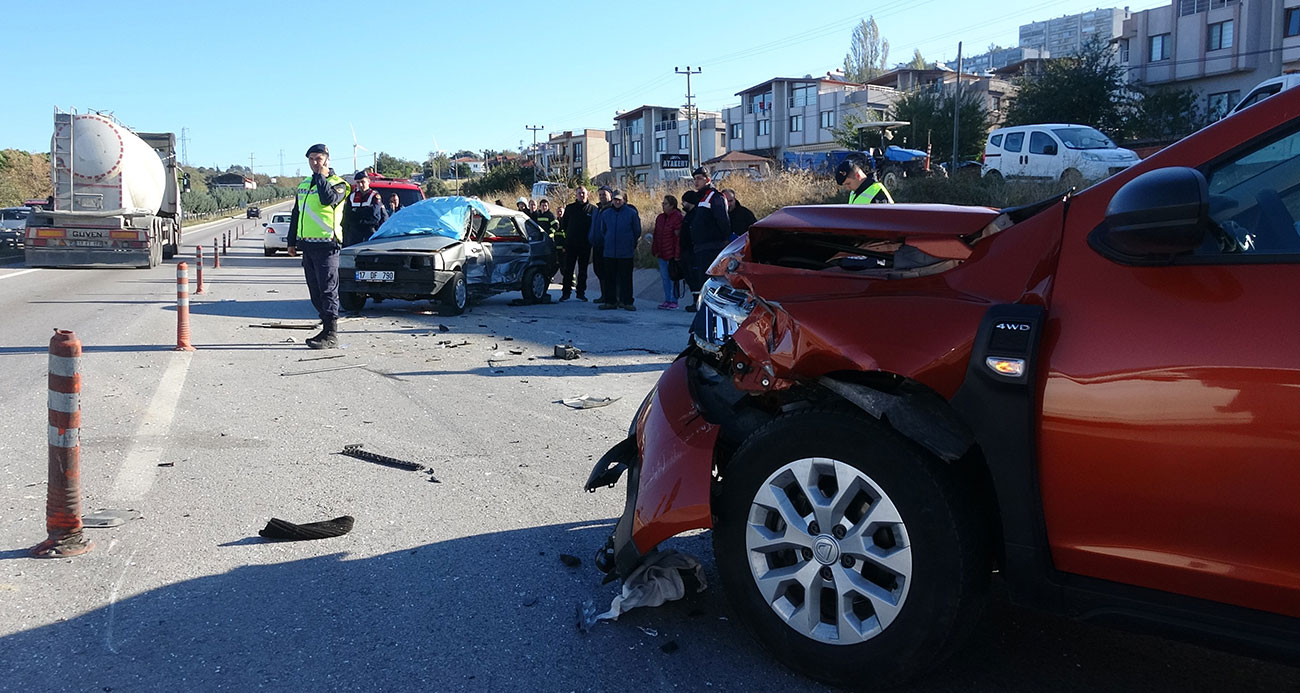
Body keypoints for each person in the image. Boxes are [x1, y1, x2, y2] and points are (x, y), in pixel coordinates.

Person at [286, 144, 350, 349]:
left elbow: (327, 200)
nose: (315, 162)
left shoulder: (339, 184)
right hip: (308, 245)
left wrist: (321, 177)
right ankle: (325, 327)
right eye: (312, 159)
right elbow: (297, 213)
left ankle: (331, 333)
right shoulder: (305, 184)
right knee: (315, 291)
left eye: (319, 159)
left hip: (327, 245)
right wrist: (291, 241)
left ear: (327, 160)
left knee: (328, 290)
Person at [685, 166, 729, 310]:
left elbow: (723, 221)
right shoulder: (701, 197)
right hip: (700, 248)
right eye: (694, 179)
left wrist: (723, 240)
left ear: (708, 180)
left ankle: (710, 312)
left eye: (699, 178)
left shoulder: (715, 197)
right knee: (702, 282)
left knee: (710, 283)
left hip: (712, 248)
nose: (696, 182)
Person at [592, 189, 641, 311]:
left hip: (625, 252)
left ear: (624, 200)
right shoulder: (606, 213)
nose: (617, 201)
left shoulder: (631, 213)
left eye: (619, 199)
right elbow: (603, 230)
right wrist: (609, 240)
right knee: (610, 278)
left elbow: (637, 231)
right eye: (615, 199)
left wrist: (629, 241)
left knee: (626, 278)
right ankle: (610, 302)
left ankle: (627, 302)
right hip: (609, 252)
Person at [559, 187, 595, 301]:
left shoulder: (593, 210)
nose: (582, 195)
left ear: (587, 194)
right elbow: (563, 225)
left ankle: (581, 293)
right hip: (571, 245)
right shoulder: (570, 208)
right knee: (568, 270)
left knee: (583, 270)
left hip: (585, 245)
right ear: (576, 195)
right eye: (579, 193)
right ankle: (566, 293)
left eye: (583, 193)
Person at [652, 194, 683, 310]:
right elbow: (656, 235)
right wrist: (655, 249)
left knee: (673, 277)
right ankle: (667, 299)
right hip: (661, 252)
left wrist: (677, 254)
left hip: (672, 253)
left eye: (665, 204)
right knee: (665, 277)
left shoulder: (677, 217)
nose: (663, 206)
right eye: (663, 203)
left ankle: (674, 300)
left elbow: (678, 238)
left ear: (672, 205)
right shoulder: (660, 218)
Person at [342, 171, 387, 247]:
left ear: (368, 181)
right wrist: (364, 212)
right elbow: (347, 216)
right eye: (358, 182)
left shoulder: (374, 196)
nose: (360, 185)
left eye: (363, 182)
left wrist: (356, 212)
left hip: (369, 232)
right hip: (354, 235)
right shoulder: (352, 196)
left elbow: (374, 216)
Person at [589, 185, 615, 304]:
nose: (602, 197)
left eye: (604, 194)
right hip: (596, 245)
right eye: (600, 195)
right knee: (598, 271)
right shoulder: (596, 210)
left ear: (610, 195)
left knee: (608, 273)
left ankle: (611, 297)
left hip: (607, 246)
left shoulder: (612, 210)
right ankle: (603, 295)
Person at [678, 189, 699, 311]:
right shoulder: (689, 215)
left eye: (684, 202)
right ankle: (695, 301)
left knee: (695, 277)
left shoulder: (695, 216)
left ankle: (697, 303)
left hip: (692, 252)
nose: (682, 205)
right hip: (687, 252)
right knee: (690, 278)